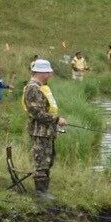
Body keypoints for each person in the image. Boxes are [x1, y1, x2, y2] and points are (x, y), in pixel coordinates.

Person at [22, 58, 67, 199]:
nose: (50, 75)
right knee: (41, 160)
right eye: (48, 72)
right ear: (42, 73)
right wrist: (57, 119)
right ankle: (41, 192)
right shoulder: (32, 88)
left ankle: (44, 190)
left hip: (47, 131)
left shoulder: (39, 87)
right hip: (40, 131)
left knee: (48, 160)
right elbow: (37, 113)